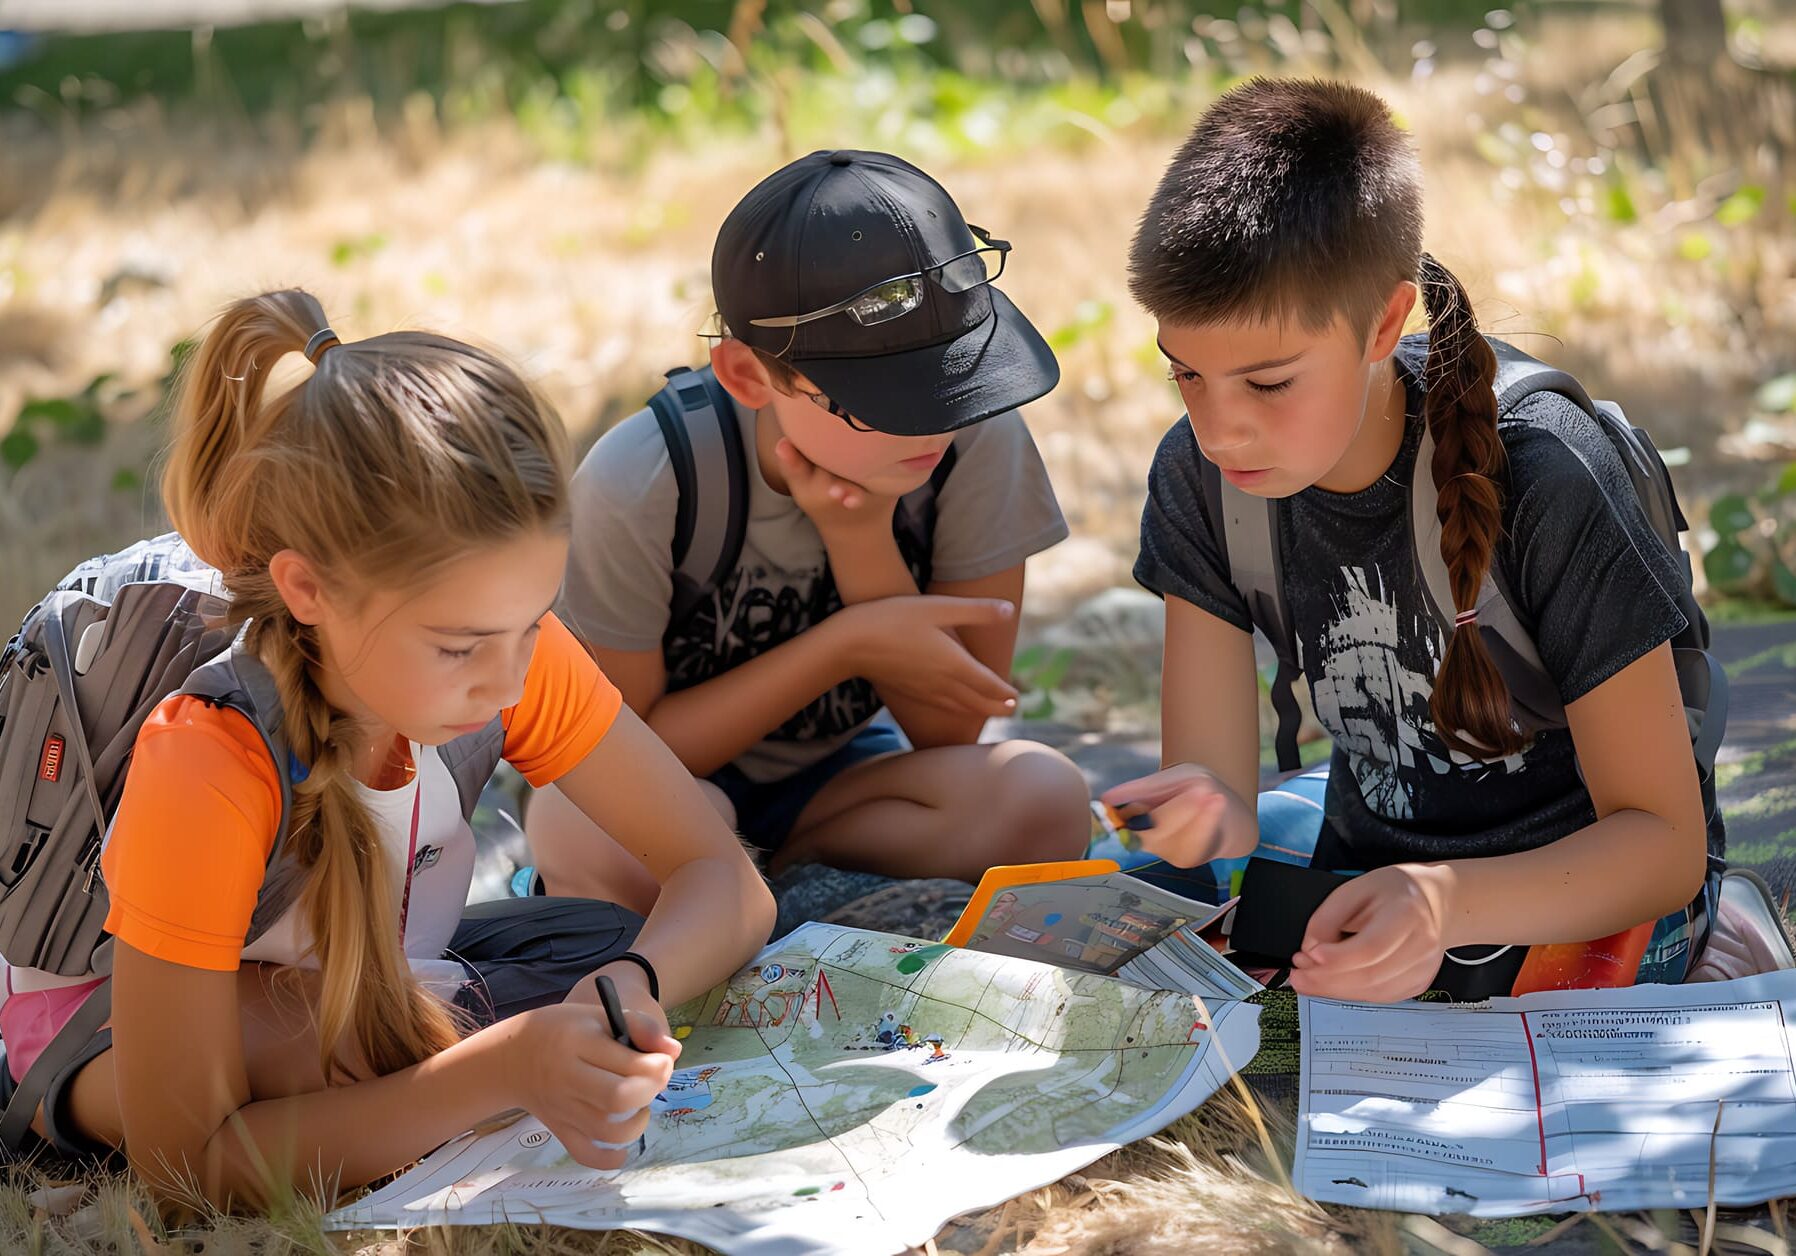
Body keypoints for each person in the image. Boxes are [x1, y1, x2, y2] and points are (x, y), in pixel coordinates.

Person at [0, 290, 773, 1205]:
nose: (509, 681)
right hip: (104, 1025)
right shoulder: (208, 756)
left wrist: (634, 980)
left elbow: (724, 879)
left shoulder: (504, 646)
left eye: (533, 623)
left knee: (610, 949)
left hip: (370, 978)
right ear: (309, 589)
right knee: (352, 1048)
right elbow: (187, 1165)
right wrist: (502, 1074)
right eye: (458, 647)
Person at [1103, 79, 1721, 1002]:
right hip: (1375, 872)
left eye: (1268, 384)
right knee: (1118, 886)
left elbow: (1662, 846)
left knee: (1486, 984)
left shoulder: (1544, 473)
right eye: (1185, 373)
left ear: (1385, 323)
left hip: (1583, 886)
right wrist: (1190, 820)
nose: (1219, 428)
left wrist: (1443, 904)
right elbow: (1216, 801)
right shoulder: (1199, 476)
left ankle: (1731, 938)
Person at [525, 150, 1091, 911]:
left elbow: (953, 731)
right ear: (750, 376)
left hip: (844, 782)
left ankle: (784, 871)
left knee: (1043, 797)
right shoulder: (647, 479)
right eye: (878, 402)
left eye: (955, 377)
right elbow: (624, 751)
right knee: (589, 829)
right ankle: (732, 879)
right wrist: (847, 643)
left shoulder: (977, 443)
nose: (929, 425)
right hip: (669, 786)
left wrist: (862, 547)